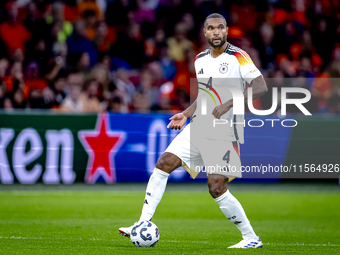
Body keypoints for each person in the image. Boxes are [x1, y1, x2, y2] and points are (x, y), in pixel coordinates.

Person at [119, 13, 268, 249]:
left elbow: (260, 87)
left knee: (217, 188)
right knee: (163, 164)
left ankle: (251, 238)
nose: (216, 32)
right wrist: (185, 114)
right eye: (211, 28)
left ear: (226, 30)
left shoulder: (238, 56)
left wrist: (228, 104)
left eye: (220, 28)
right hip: (198, 125)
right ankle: (142, 222)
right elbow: (205, 96)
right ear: (205, 32)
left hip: (224, 130)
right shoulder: (199, 60)